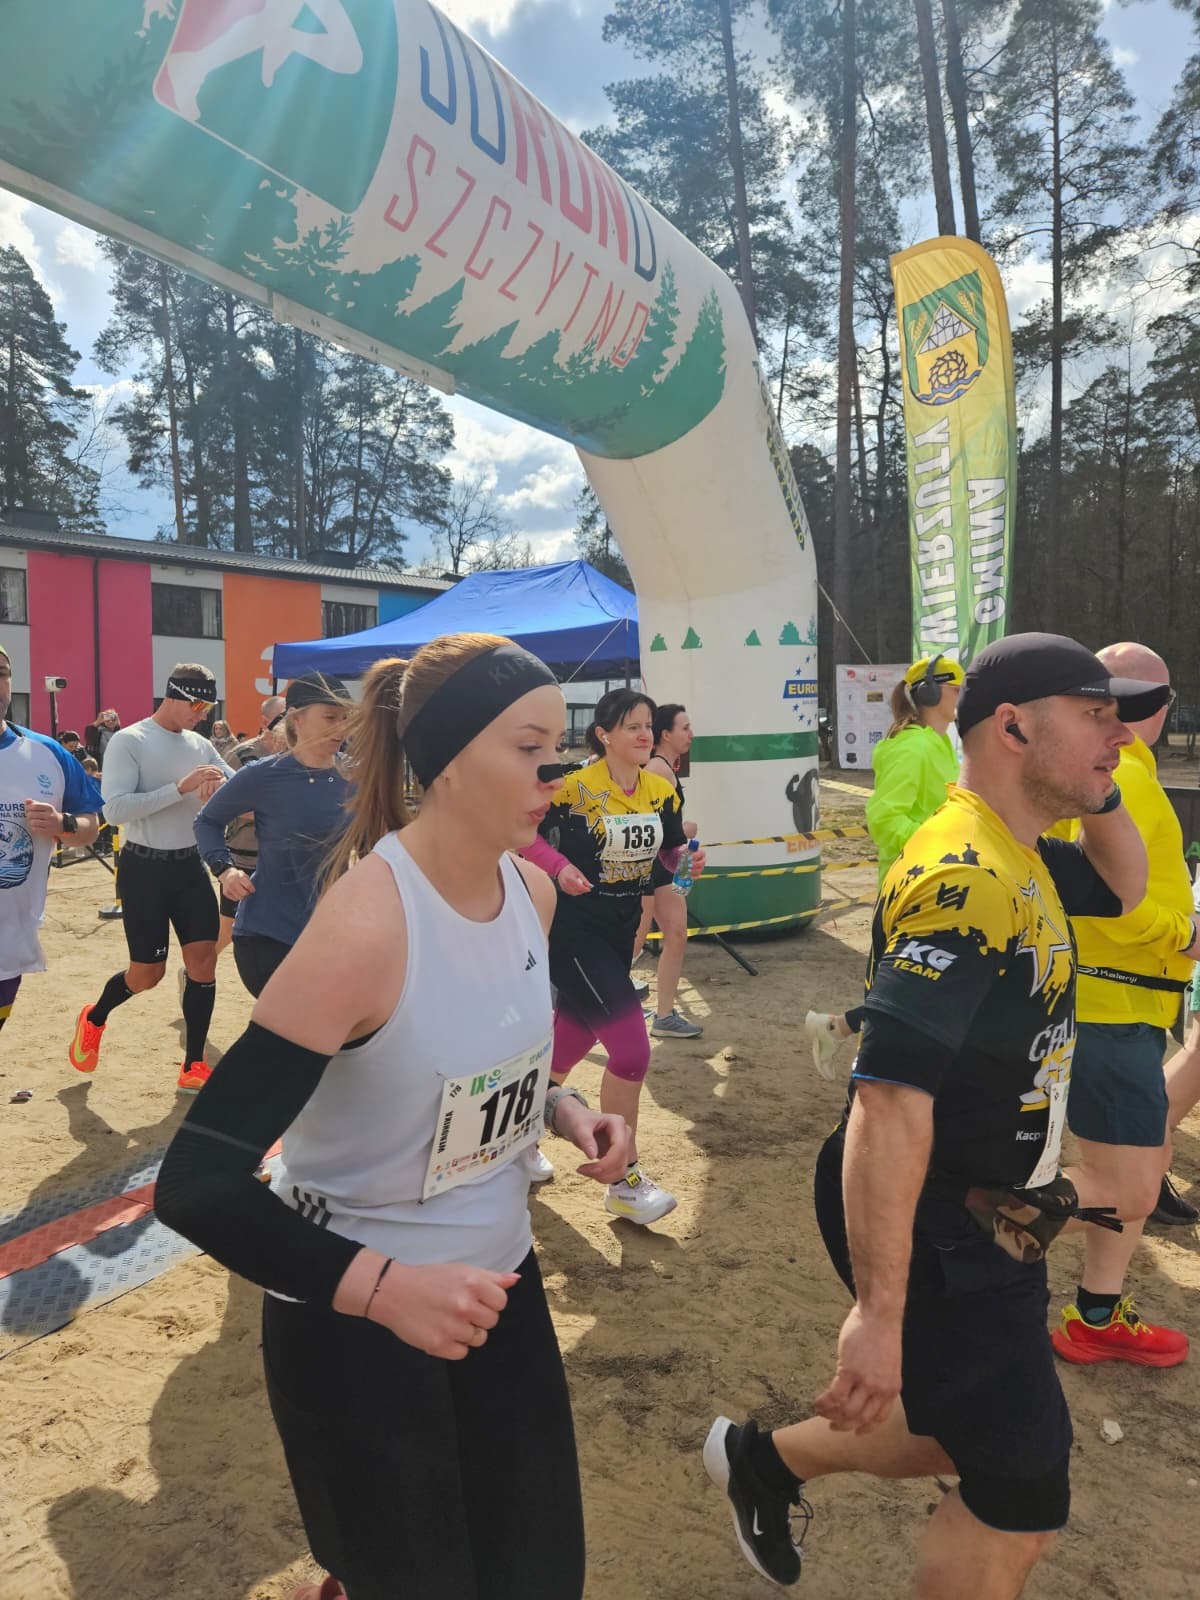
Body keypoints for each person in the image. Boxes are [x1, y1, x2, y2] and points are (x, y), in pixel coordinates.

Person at [154, 634, 631, 1600]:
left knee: (540, 1578)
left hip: (499, 1292)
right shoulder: (365, 926)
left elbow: (466, 1055)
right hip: (360, 1333)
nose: (558, 774)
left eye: (559, 748)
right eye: (530, 748)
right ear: (447, 760)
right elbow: (196, 1184)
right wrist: (381, 1291)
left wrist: (559, 1103)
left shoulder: (532, 892)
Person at [704, 633, 1161, 1598]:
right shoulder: (966, 877)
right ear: (1012, 728)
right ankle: (764, 1462)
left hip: (990, 1214)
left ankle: (763, 1461)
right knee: (1021, 1496)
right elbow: (888, 1097)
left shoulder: (1022, 851)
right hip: (943, 1222)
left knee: (972, 1437)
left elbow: (1128, 885)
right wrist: (878, 1314)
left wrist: (1099, 781)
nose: (1119, 735)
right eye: (1095, 716)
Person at [1047, 643, 1193, 1366]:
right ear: (1157, 706)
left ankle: (1098, 1312)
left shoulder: (1115, 770)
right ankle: (955, 1227)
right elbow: (1109, 896)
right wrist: (1185, 933)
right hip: (1113, 1005)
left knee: (1141, 1161)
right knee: (1127, 1184)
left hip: (1122, 1002)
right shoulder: (1122, 772)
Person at [521, 688, 703, 1218]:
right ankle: (624, 1182)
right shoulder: (571, 787)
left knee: (564, 1050)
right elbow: (525, 835)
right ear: (604, 735)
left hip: (621, 933)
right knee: (631, 1052)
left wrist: (686, 859)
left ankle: (517, 1138)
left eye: (648, 725)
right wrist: (559, 868)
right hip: (573, 934)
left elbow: (667, 853)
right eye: (633, 726)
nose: (645, 734)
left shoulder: (660, 790)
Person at [68, 664, 233, 1093]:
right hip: (144, 869)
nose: (202, 714)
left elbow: (234, 785)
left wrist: (224, 782)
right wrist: (180, 788)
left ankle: (193, 1064)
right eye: (197, 705)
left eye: (208, 707)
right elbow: (115, 809)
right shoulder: (130, 740)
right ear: (173, 696)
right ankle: (95, 1017)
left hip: (190, 865)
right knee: (147, 974)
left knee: (204, 960)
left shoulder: (201, 744)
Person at [805, 653, 962, 1078]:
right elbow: (886, 819)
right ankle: (864, 1082)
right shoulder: (912, 746)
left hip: (936, 879)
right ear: (930, 693)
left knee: (921, 987)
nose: (960, 696)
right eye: (955, 688)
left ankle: (837, 1029)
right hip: (910, 885)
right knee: (900, 991)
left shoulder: (937, 743)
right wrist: (941, 845)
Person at [194, 673, 352, 997]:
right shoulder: (264, 775)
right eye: (330, 717)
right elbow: (207, 821)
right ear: (297, 718)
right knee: (298, 1024)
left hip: (332, 936)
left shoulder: (355, 776)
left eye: (345, 718)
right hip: (268, 937)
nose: (341, 727)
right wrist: (225, 870)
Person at [0, 644, 103, 1038]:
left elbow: (91, 825)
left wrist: (64, 823)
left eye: (1, 672)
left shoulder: (48, 753)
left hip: (9, 943)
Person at [631, 703, 703, 1038]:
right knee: (635, 944)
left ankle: (664, 1014)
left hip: (665, 866)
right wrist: (682, 832)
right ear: (666, 734)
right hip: (650, 867)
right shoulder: (657, 771)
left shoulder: (665, 769)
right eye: (684, 728)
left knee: (676, 934)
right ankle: (593, 1007)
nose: (691, 734)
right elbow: (645, 824)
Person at [210, 694, 288, 963]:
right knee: (229, 927)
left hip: (283, 858)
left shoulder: (299, 755)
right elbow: (224, 804)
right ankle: (198, 970)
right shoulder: (242, 755)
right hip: (244, 858)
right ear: (265, 721)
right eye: (282, 718)